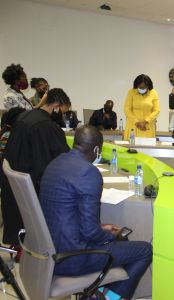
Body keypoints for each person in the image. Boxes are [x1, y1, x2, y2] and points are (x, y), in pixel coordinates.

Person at [40, 126, 153, 299]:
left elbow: (64, 212)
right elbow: (90, 232)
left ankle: (97, 294)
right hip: (73, 258)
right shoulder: (89, 173)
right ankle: (108, 298)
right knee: (144, 250)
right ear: (96, 149)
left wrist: (103, 228)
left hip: (47, 252)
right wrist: (112, 236)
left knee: (121, 242)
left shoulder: (55, 163)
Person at [0, 88, 71, 261]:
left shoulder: (25, 117)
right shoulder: (45, 126)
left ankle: (20, 245)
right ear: (56, 105)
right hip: (33, 185)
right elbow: (61, 157)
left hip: (13, 183)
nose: (63, 116)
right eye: (63, 111)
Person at [123, 74, 160, 140]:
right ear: (136, 85)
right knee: (131, 149)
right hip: (133, 126)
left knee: (147, 149)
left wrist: (146, 121)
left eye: (144, 87)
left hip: (147, 127)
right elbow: (127, 109)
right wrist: (137, 122)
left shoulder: (153, 93)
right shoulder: (131, 92)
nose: (142, 89)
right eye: (140, 87)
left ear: (148, 86)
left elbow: (157, 110)